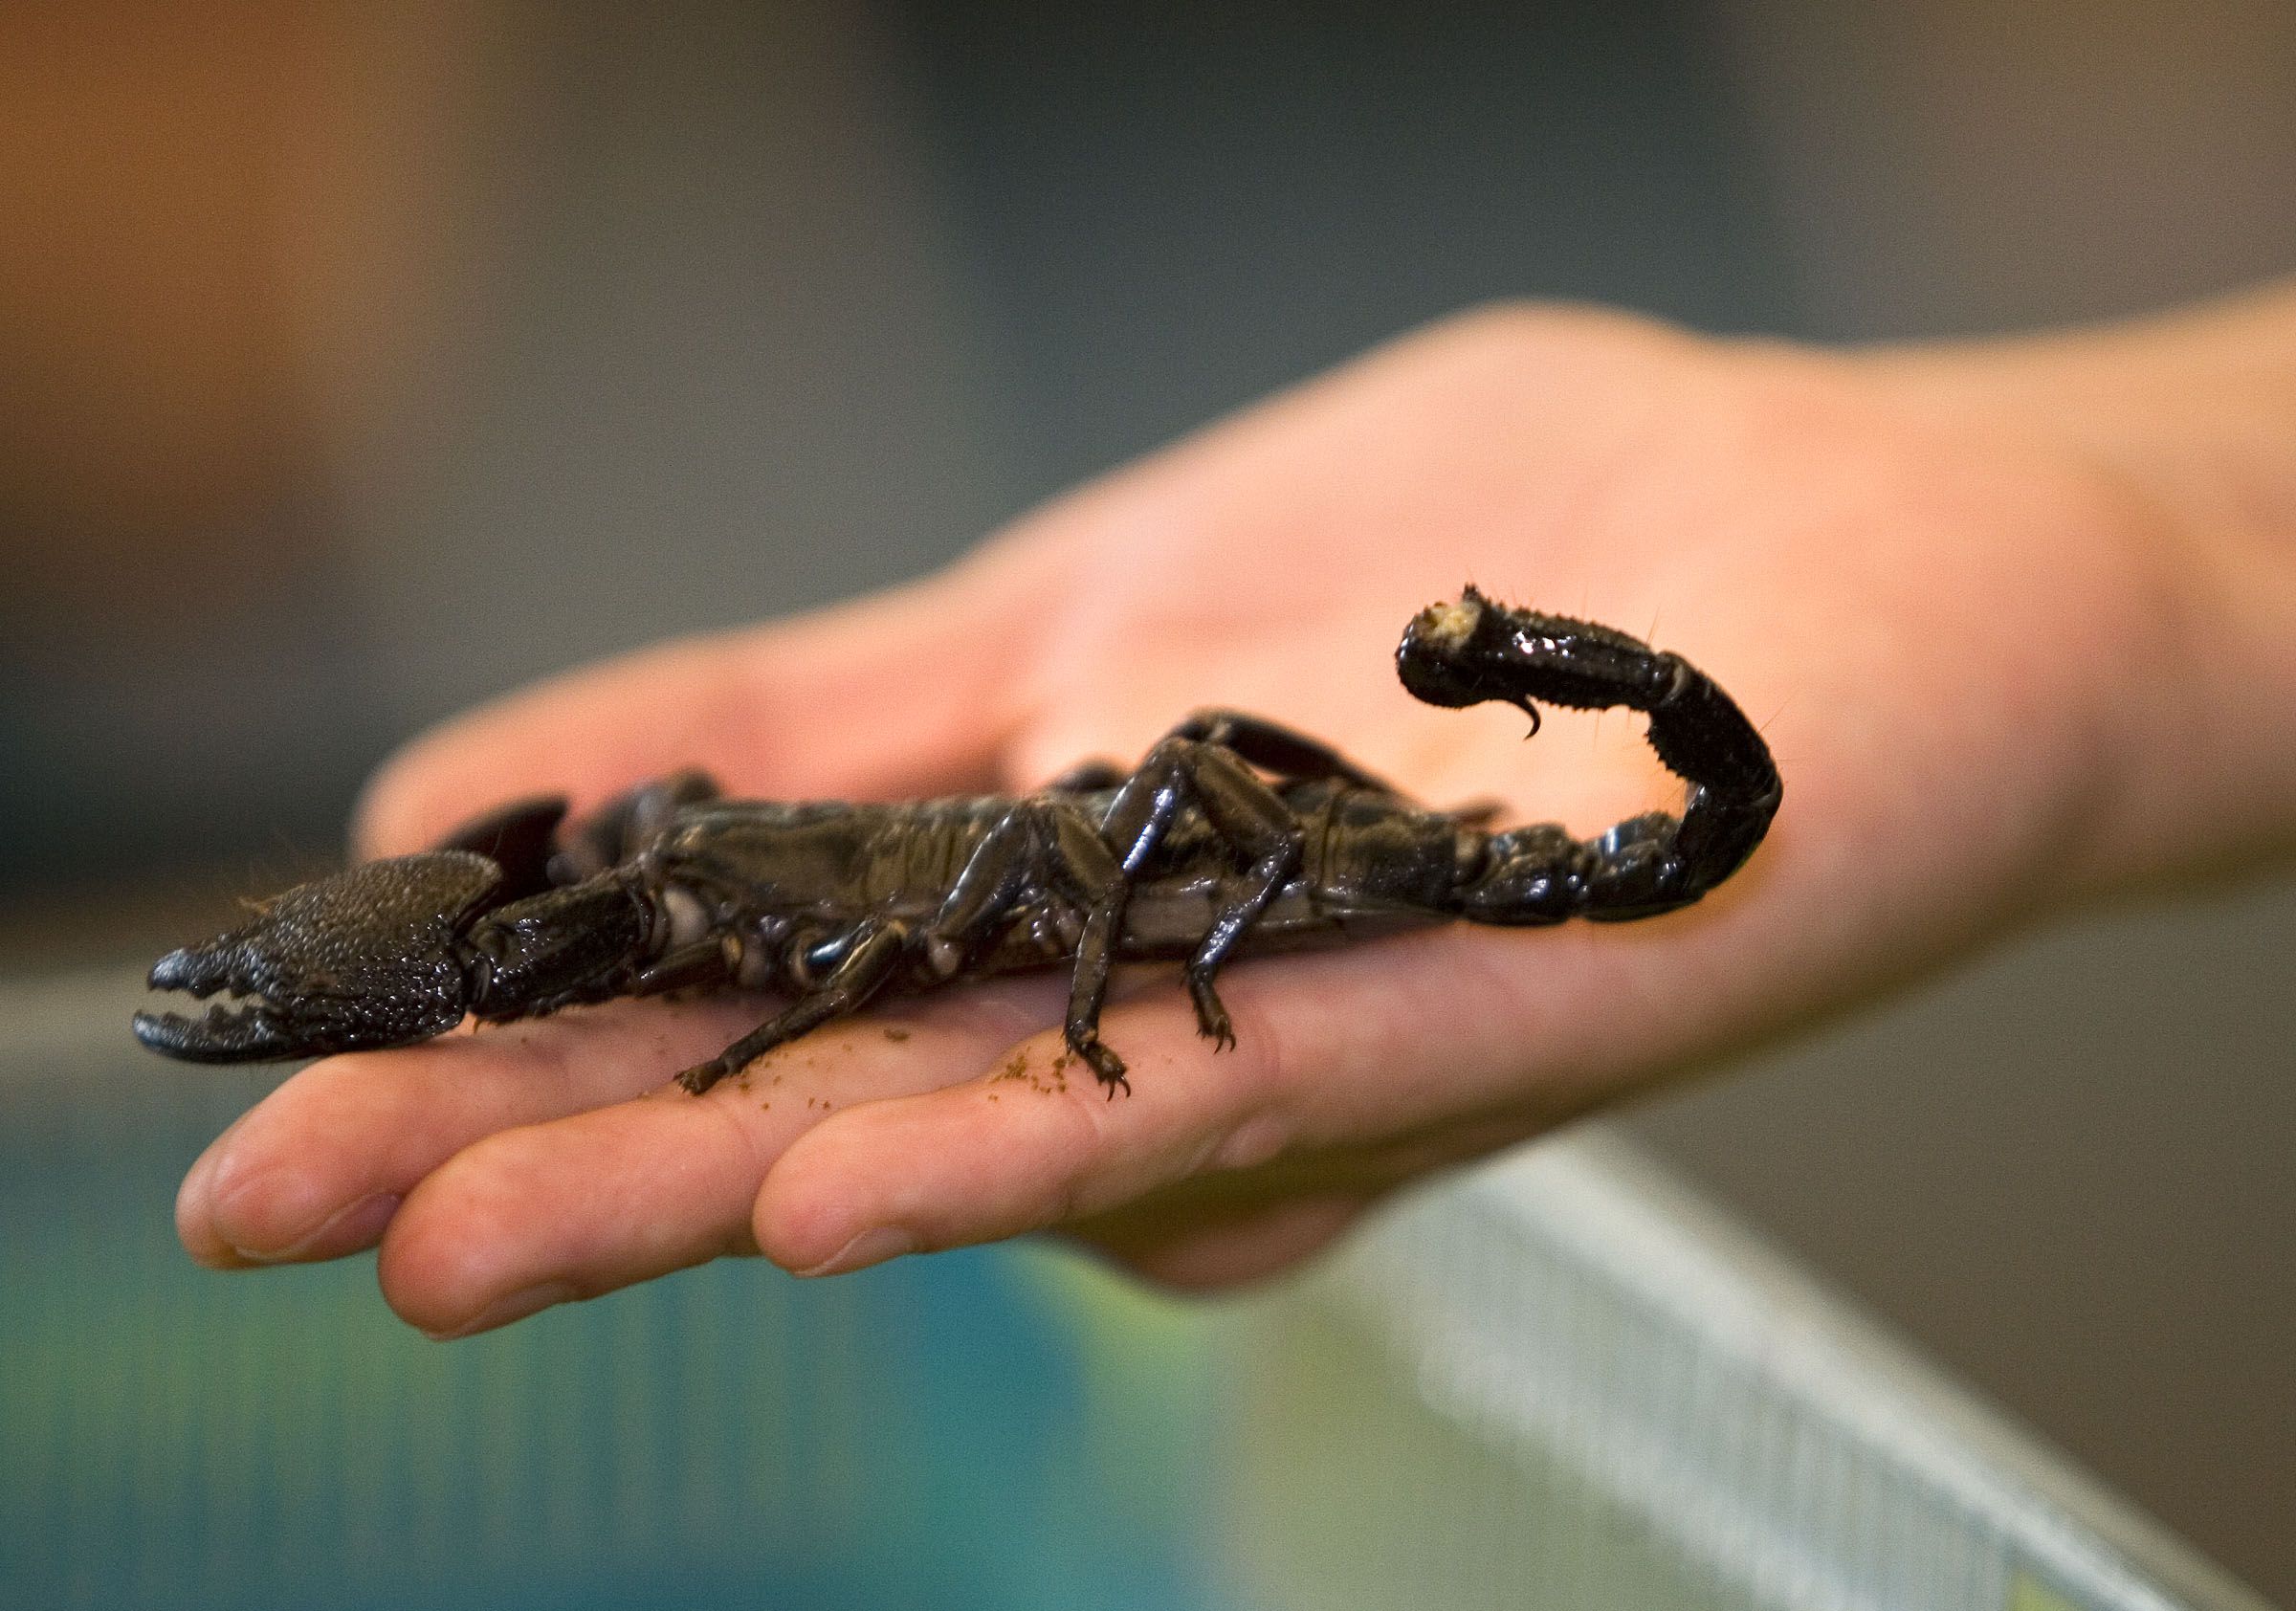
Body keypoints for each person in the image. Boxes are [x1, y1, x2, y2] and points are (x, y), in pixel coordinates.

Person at [173, 287, 2296, 1339]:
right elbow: (737, 864)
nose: (659, 843)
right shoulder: (704, 867)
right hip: (1204, 856)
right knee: (953, 853)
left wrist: (1094, 996)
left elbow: (992, 877)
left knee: (1013, 852)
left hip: (1245, 868)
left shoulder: (776, 909)